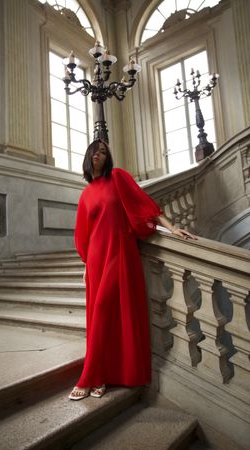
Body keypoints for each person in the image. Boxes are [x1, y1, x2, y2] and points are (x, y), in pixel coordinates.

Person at [69, 139, 196, 400]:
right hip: (95, 259)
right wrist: (85, 264)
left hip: (119, 252)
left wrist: (171, 228)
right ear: (88, 155)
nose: (100, 155)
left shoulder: (117, 177)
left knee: (104, 309)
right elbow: (83, 234)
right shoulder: (85, 194)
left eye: (104, 152)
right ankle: (101, 377)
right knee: (99, 318)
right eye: (96, 151)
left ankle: (90, 375)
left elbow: (144, 204)